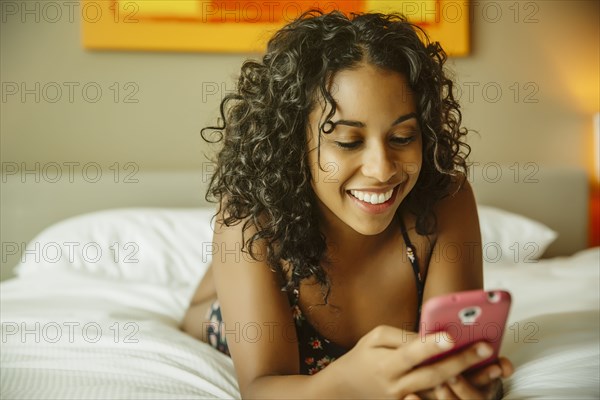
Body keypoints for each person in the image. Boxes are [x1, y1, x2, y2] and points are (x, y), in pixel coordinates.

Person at [182, 10, 513, 399]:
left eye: (403, 137)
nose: (382, 169)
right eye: (348, 142)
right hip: (218, 310)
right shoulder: (250, 222)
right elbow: (261, 388)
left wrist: (468, 382)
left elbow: (446, 354)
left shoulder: (445, 201)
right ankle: (218, 278)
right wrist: (347, 382)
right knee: (210, 305)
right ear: (294, 144)